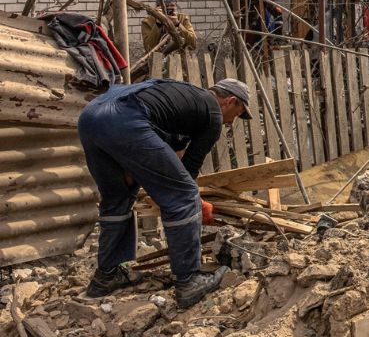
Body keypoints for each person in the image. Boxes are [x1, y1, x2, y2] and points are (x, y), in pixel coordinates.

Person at [78, 78, 253, 308]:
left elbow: (162, 156)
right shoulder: (213, 114)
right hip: (126, 119)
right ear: (230, 101)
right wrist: (195, 204)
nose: (231, 123)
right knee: (184, 195)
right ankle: (189, 281)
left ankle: (105, 277)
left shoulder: (182, 98)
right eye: (237, 115)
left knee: (118, 196)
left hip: (91, 117)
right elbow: (187, 172)